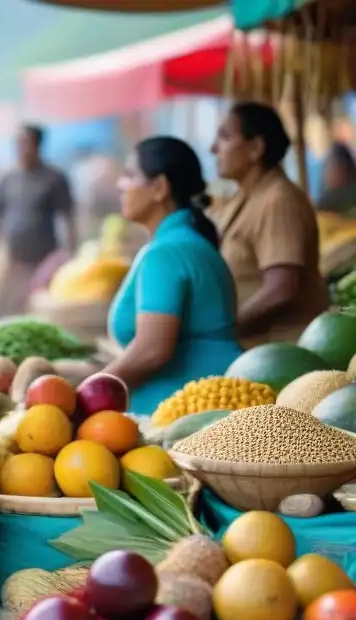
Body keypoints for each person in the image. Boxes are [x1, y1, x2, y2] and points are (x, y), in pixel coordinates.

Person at [103, 137, 242, 415]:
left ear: (159, 188)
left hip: (189, 415)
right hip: (218, 399)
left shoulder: (166, 253)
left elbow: (152, 351)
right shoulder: (188, 242)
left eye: (131, 176)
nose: (121, 184)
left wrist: (89, 391)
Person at [211, 101, 329, 346]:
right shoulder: (244, 196)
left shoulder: (279, 200)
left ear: (255, 147)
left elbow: (281, 290)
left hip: (280, 352)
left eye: (224, 137)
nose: (213, 148)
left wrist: (221, 333)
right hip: (250, 348)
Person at [0, 124, 77, 316]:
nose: (21, 148)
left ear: (38, 145)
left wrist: (71, 254)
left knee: (36, 308)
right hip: (14, 259)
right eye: (18, 143)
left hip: (44, 260)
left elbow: (68, 219)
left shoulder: (54, 178)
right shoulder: (8, 178)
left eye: (26, 143)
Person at [316, 141, 356, 215]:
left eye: (336, 167)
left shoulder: (350, 195)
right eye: (329, 168)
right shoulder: (328, 196)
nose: (330, 174)